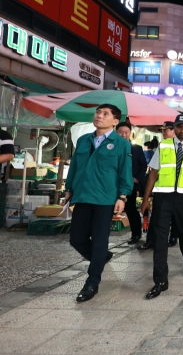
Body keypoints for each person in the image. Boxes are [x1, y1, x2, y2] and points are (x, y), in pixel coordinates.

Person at [63, 104, 132, 302]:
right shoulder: (84, 140)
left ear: (115, 121)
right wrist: (68, 189)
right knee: (76, 239)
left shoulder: (121, 144)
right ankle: (101, 257)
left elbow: (124, 172)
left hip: (105, 198)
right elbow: (75, 166)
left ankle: (92, 282)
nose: (99, 116)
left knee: (100, 239)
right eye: (98, 113)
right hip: (83, 196)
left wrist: (123, 196)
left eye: (105, 114)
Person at [140, 114, 183, 299]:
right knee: (160, 238)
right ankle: (160, 280)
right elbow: (153, 174)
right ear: (174, 128)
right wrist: (146, 199)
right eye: (178, 127)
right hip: (163, 197)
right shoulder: (163, 146)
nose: (182, 130)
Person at [137, 122, 179, 251]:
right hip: (162, 190)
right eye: (163, 130)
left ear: (174, 131)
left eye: (168, 129)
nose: (164, 132)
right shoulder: (162, 146)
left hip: (180, 190)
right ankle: (151, 240)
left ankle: (173, 237)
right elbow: (154, 171)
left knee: (176, 216)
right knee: (156, 217)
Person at [115, 122, 148, 244]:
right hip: (111, 184)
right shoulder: (110, 147)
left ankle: (136, 234)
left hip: (129, 184)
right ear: (115, 132)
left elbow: (143, 165)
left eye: (126, 132)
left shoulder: (136, 149)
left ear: (130, 134)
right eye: (120, 132)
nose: (123, 135)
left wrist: (138, 178)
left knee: (130, 209)